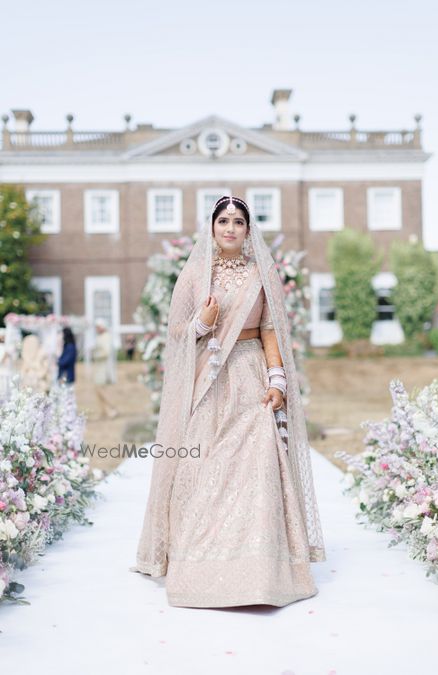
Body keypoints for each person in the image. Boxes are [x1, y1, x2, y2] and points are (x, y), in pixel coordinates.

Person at [131, 195, 326, 608]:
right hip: (210, 378)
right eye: (224, 221)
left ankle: (259, 568)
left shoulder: (261, 273)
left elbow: (271, 328)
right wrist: (200, 323)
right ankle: (196, 558)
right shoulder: (197, 274)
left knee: (255, 466)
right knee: (202, 467)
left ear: (249, 230)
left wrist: (277, 379)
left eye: (239, 221)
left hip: (252, 374)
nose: (231, 228)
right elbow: (177, 331)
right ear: (213, 227)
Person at [91, 318, 118, 419]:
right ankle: (104, 411)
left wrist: (95, 354)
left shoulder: (106, 336)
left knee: (101, 389)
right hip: (99, 366)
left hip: (104, 367)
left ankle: (112, 407)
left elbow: (106, 352)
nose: (96, 329)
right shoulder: (101, 337)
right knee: (97, 389)